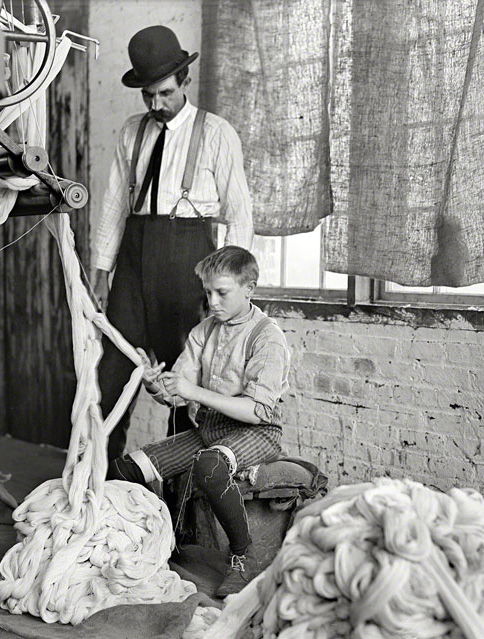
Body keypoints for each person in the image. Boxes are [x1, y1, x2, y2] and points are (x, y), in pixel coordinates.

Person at [93, 25, 254, 462]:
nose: (156, 104)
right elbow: (113, 204)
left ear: (185, 80)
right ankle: (100, 488)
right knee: (109, 378)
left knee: (186, 386)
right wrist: (102, 269)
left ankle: (177, 505)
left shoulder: (218, 133)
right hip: (132, 259)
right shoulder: (132, 132)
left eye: (164, 93)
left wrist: (232, 289)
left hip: (190, 262)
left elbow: (239, 213)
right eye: (148, 96)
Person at [108, 246, 291, 598]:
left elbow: (257, 411)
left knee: (209, 466)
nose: (213, 301)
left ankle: (242, 557)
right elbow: (179, 392)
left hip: (256, 432)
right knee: (126, 468)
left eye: (222, 292)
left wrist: (194, 391)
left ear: (249, 288)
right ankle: (160, 543)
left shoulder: (267, 337)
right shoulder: (204, 331)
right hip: (210, 428)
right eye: (208, 292)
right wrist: (157, 386)